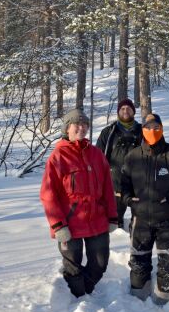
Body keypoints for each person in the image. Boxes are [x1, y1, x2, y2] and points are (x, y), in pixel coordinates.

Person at [40, 109, 118, 298]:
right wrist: (58, 225)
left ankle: (86, 291)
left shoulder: (97, 154)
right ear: (67, 128)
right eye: (77, 124)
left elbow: (108, 188)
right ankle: (77, 299)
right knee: (72, 265)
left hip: (97, 220)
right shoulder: (58, 157)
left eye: (85, 125)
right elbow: (48, 194)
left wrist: (112, 217)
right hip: (69, 223)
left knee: (100, 263)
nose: (81, 128)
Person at [121, 113, 169, 304]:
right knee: (138, 261)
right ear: (142, 129)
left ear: (162, 129)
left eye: (156, 127)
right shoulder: (133, 156)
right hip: (140, 220)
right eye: (148, 127)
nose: (152, 131)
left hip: (167, 220)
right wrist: (130, 200)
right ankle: (137, 301)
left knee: (168, 263)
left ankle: (164, 303)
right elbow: (122, 184)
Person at [96, 99, 142, 229]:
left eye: (128, 108)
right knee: (114, 221)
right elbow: (98, 157)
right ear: (118, 112)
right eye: (122, 109)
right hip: (114, 183)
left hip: (138, 182)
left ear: (134, 111)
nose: (125, 111)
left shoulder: (142, 131)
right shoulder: (108, 132)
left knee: (140, 220)